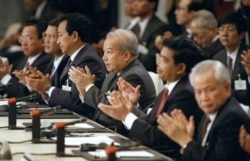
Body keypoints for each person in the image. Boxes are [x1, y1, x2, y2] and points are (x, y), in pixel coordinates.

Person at [97, 36, 204, 159]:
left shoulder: (185, 94)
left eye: (164, 60)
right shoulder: (170, 87)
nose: (158, 63)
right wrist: (131, 107)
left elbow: (160, 139)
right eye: (159, 58)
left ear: (180, 68)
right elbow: (150, 122)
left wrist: (125, 116)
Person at [157, 60, 250, 161]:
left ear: (227, 88)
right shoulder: (210, 113)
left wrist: (184, 140)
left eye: (210, 90)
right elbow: (204, 153)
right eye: (198, 92)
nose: (204, 98)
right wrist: (190, 140)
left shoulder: (231, 117)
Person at [68, 29, 156, 134]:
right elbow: (101, 106)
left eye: (109, 52)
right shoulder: (114, 72)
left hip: (122, 135)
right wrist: (84, 91)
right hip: (104, 128)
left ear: (126, 55)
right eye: (104, 52)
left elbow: (113, 108)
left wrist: (89, 87)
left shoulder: (134, 76)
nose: (104, 58)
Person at [24, 13, 106, 113]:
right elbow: (61, 93)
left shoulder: (87, 60)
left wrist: (48, 88)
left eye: (60, 35)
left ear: (75, 36)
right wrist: (44, 91)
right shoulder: (71, 57)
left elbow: (75, 102)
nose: (58, 41)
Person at [0, 19, 52, 98]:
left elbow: (27, 94)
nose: (23, 43)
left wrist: (5, 77)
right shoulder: (23, 59)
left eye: (28, 39)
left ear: (42, 41)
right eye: (22, 39)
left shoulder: (47, 61)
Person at [26, 18, 69, 103]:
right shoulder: (51, 62)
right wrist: (38, 86)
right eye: (45, 35)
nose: (46, 41)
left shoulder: (68, 63)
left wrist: (46, 88)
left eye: (51, 36)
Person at [213, 11, 250, 106]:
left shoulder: (247, 56)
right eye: (221, 29)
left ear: (241, 34)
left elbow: (246, 94)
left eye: (230, 29)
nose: (224, 34)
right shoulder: (217, 57)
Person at [130, 0, 169, 72]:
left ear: (152, 4)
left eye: (139, 1)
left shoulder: (160, 27)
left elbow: (151, 59)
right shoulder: (133, 28)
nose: (135, 4)